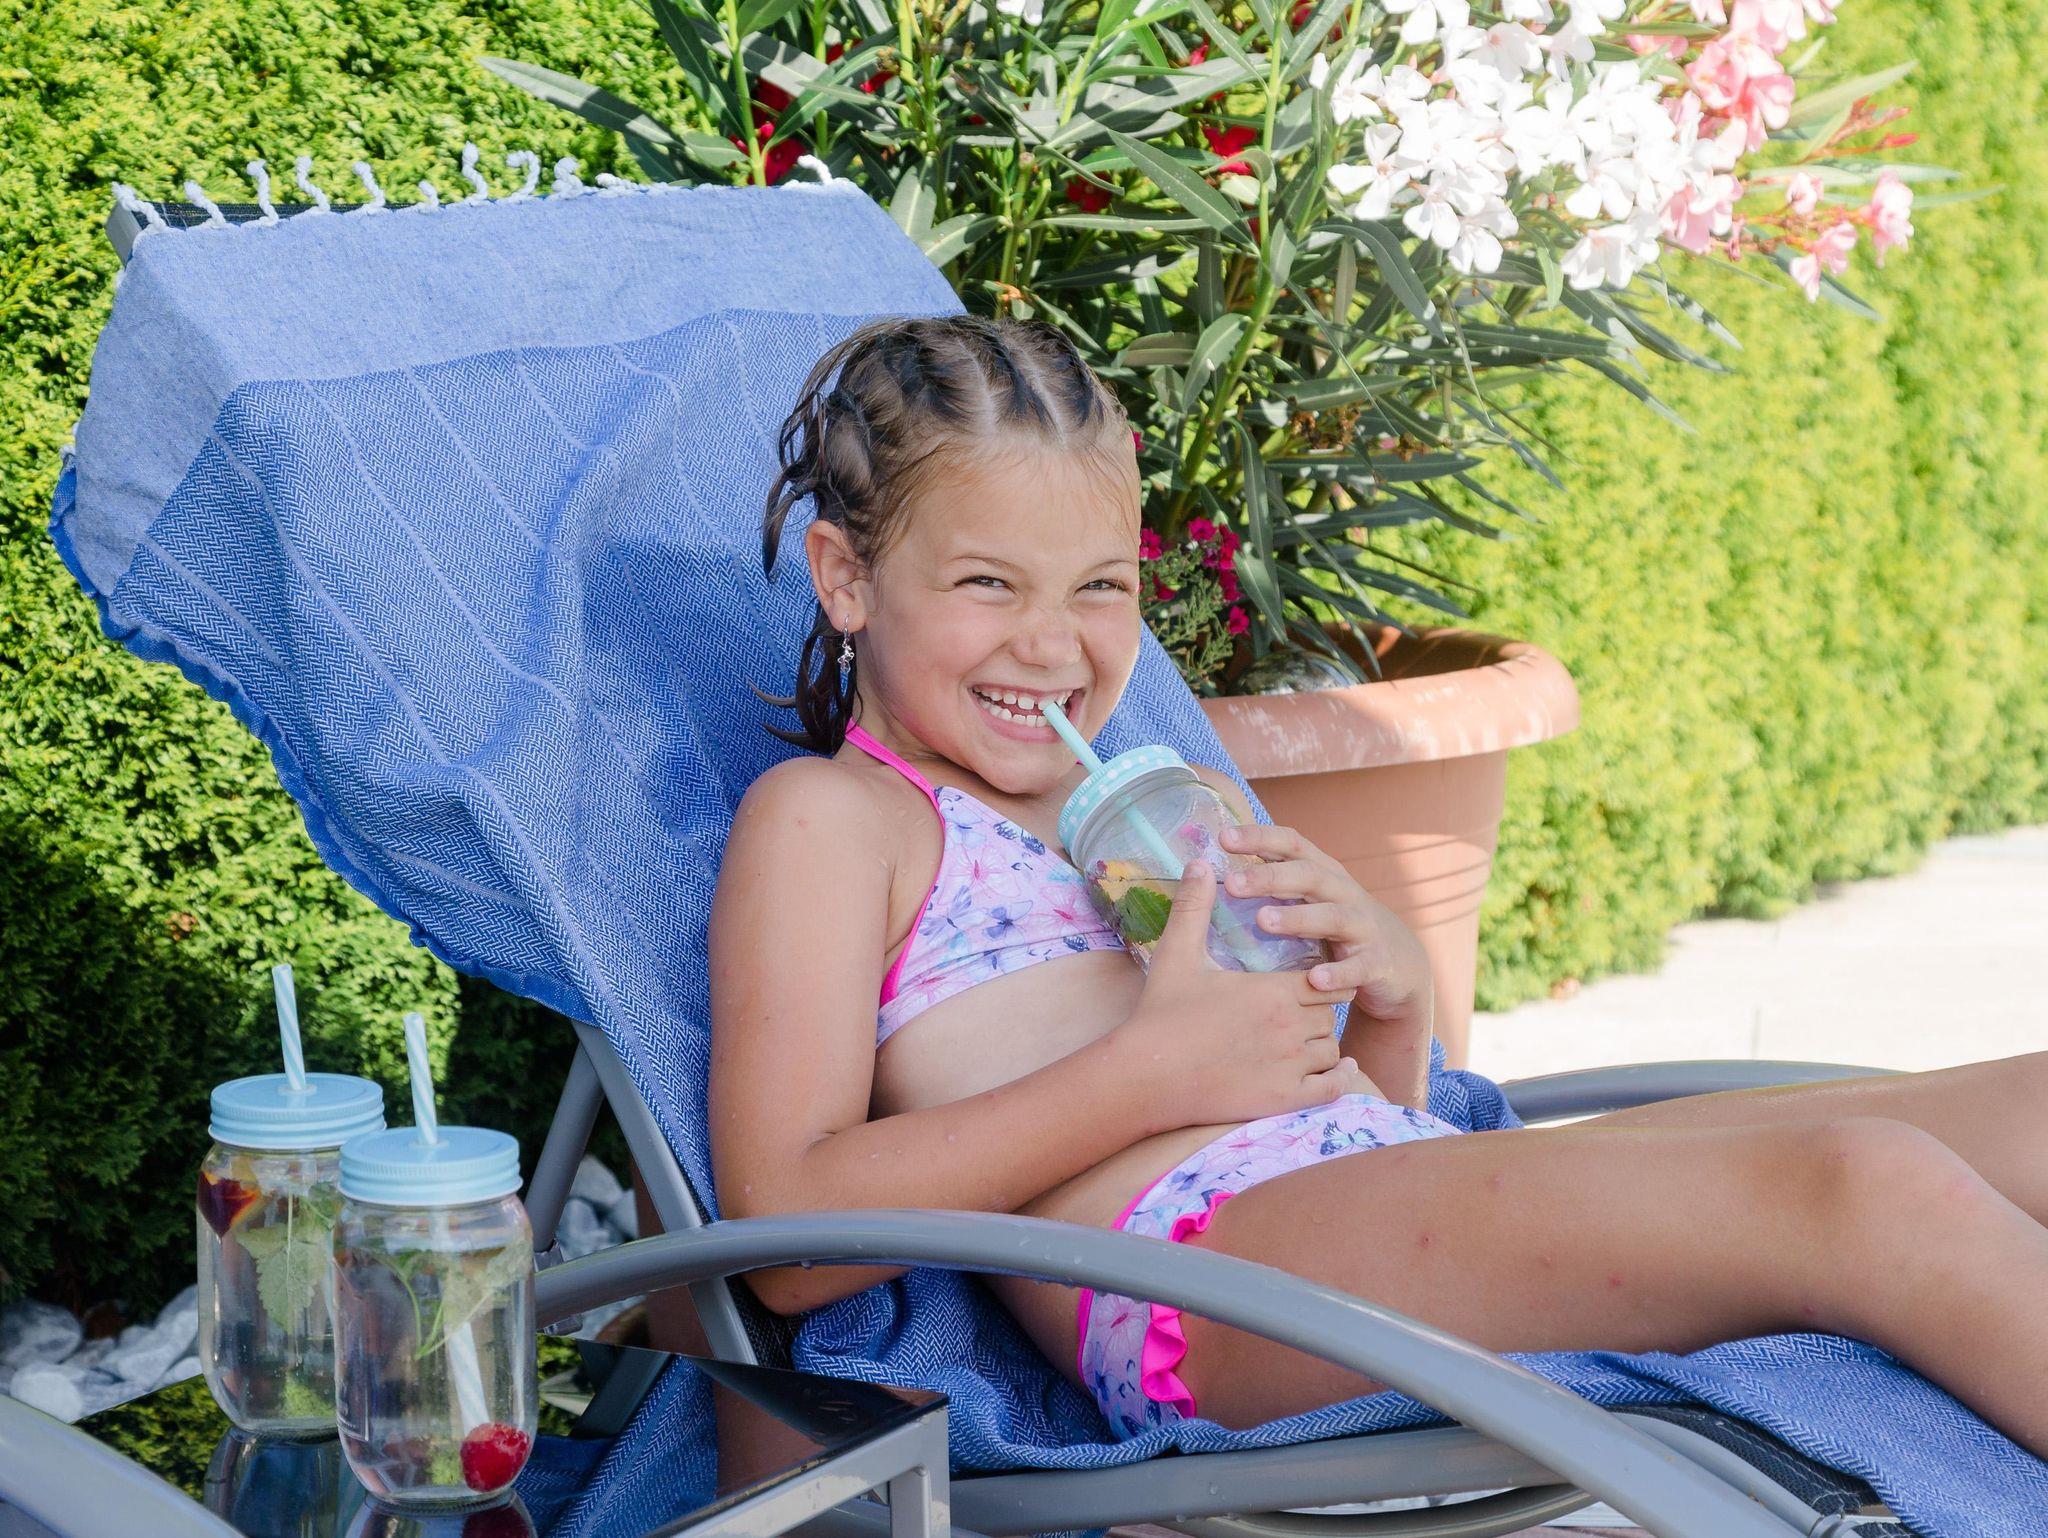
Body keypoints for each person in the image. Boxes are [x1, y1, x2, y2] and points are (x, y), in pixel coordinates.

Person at [708, 313, 2048, 1451]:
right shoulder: (839, 823)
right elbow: (782, 1233)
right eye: (989, 583)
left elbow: (1361, 1125)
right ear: (848, 576)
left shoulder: (1166, 796)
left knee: (2026, 1114)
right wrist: (1144, 1076)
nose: (1054, 645)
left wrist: (1392, 1003)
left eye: (1101, 586)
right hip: (1203, 1278)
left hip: (1369, 1196)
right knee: (1867, 1189)